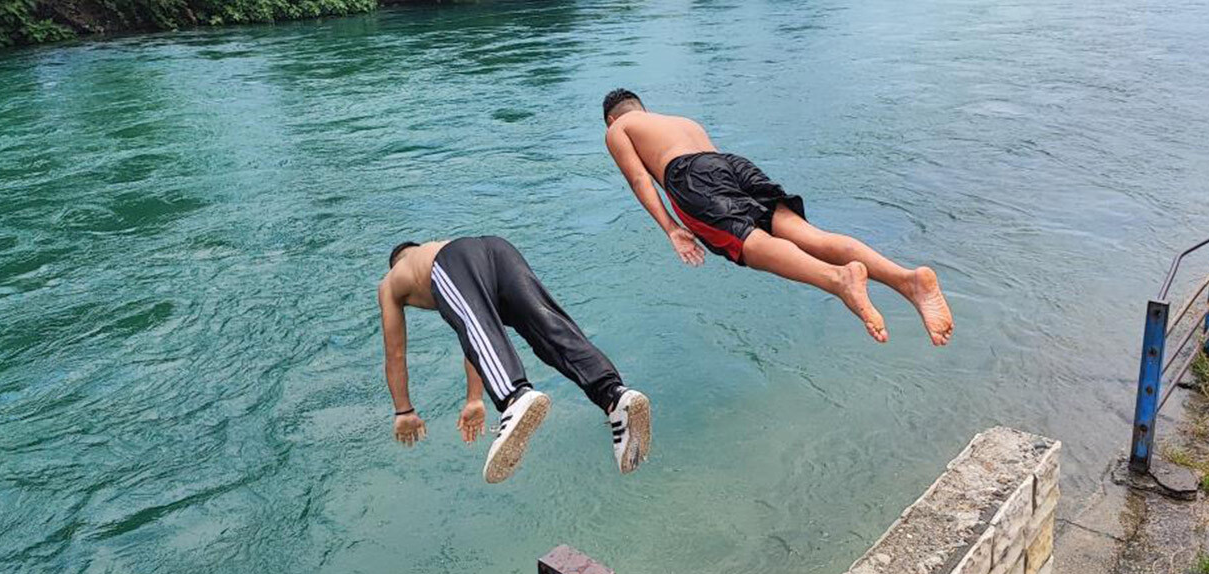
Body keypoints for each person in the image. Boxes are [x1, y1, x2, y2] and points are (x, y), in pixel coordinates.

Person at [601, 88, 954, 346]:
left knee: (752, 246)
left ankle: (837, 280)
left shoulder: (618, 128)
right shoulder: (681, 122)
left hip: (690, 176)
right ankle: (908, 280)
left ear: (613, 117)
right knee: (809, 235)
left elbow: (638, 179)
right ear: (644, 108)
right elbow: (708, 163)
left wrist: (671, 229)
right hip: (731, 163)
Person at [378, 235, 652, 482]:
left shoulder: (392, 281)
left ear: (396, 262)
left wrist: (404, 411)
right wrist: (474, 399)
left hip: (456, 260)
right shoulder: (435, 246)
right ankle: (614, 395)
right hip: (498, 249)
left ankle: (514, 396)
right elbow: (474, 335)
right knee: (549, 330)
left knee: (484, 334)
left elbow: (396, 354)